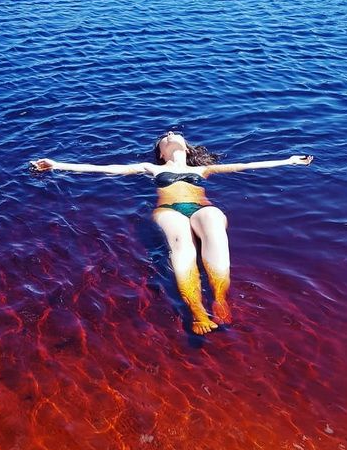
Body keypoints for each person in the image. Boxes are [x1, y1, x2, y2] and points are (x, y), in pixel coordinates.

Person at [31, 131, 313, 335]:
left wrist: (288, 161)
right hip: (168, 211)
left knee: (214, 223)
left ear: (186, 149)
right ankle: (196, 309)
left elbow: (247, 165)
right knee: (182, 243)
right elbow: (105, 169)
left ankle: (219, 296)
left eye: (174, 135)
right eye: (165, 138)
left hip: (201, 208)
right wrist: (58, 164)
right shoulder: (150, 168)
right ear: (161, 152)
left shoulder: (203, 168)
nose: (169, 135)